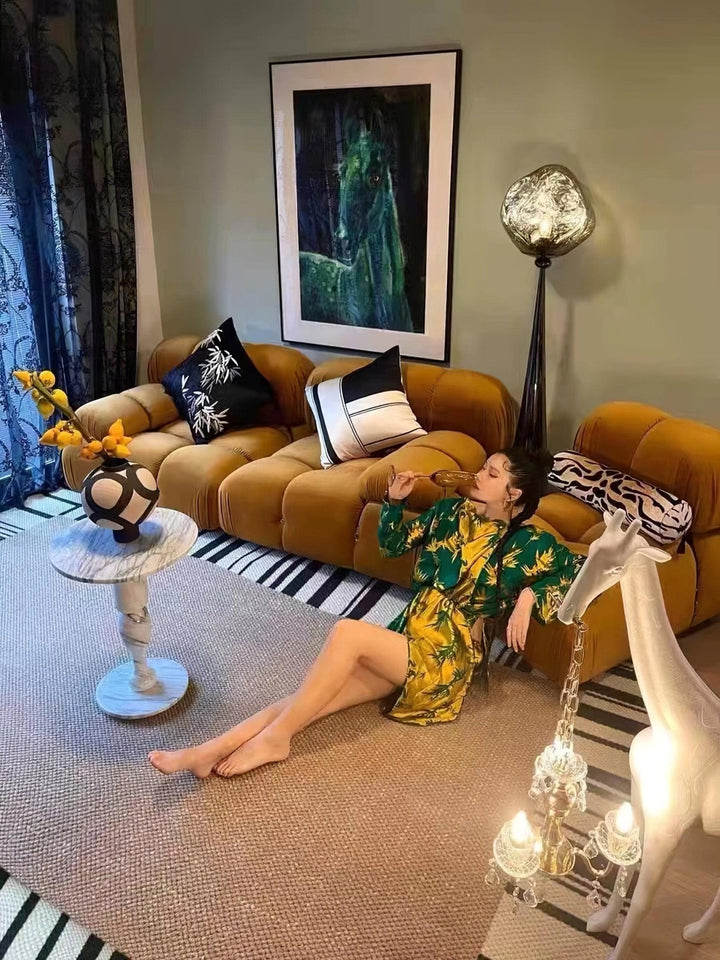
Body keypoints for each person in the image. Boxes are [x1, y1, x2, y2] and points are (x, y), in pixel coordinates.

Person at [148, 447, 584, 779]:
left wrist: (529, 596)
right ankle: (208, 751)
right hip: (409, 635)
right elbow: (393, 545)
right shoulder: (450, 512)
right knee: (310, 696)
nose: (478, 475)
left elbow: (576, 570)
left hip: (445, 657)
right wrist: (393, 502)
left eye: (492, 473)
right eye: (483, 467)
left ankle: (276, 739)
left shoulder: (528, 543)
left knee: (348, 633)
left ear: (514, 494)